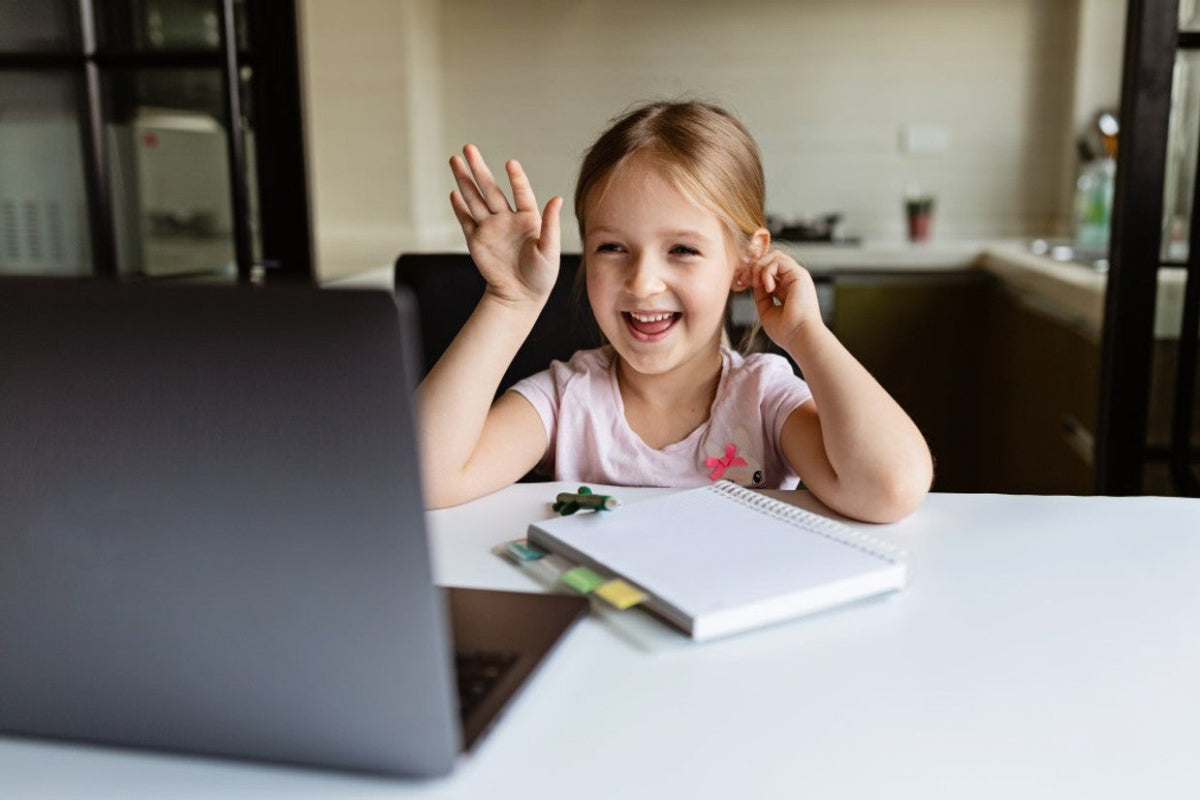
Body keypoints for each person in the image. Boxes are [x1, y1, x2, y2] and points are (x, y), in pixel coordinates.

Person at [417, 101, 932, 523]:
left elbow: (890, 488)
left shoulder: (762, 397)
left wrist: (805, 335)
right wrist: (511, 302)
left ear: (745, 262)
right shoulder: (567, 400)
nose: (642, 282)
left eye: (683, 250)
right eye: (612, 247)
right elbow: (419, 478)